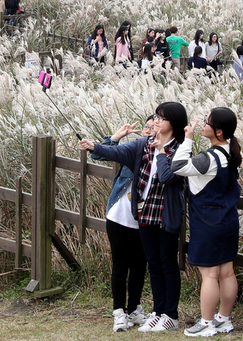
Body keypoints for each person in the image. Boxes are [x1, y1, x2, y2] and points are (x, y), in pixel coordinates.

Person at [80, 102, 188, 333]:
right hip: (144, 213)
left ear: (174, 123)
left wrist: (160, 152)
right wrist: (94, 146)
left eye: (162, 118)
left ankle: (171, 314)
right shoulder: (143, 145)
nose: (156, 121)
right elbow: (116, 152)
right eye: (156, 117)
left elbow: (169, 178)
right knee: (155, 265)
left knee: (168, 265)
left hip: (166, 216)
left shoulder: (181, 149)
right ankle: (158, 312)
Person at [173, 107, 242, 338]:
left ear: (219, 132)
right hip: (229, 220)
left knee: (210, 275)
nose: (203, 124)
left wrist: (188, 140)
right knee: (227, 273)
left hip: (207, 221)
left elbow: (178, 167)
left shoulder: (208, 157)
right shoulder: (229, 153)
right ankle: (224, 319)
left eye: (208, 122)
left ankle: (206, 322)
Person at [87, 118, 155, 332]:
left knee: (139, 266)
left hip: (144, 219)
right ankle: (119, 312)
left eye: (155, 127)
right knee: (120, 265)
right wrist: (116, 137)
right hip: (119, 217)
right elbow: (98, 153)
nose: (149, 131)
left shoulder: (162, 154)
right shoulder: (132, 150)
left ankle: (134, 309)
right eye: (147, 127)